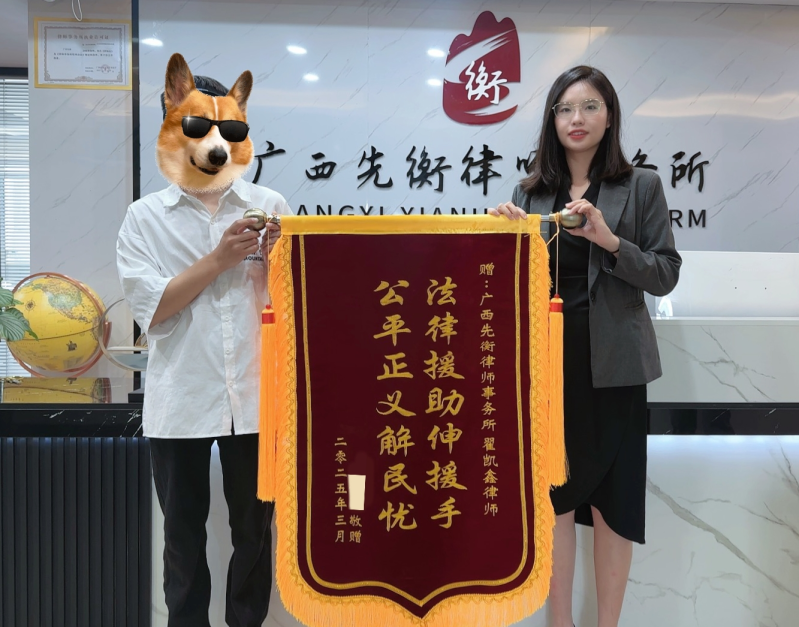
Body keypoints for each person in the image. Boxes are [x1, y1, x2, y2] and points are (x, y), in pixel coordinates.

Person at [489, 65, 681, 627]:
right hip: (547, 367)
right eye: (566, 108)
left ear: (610, 116)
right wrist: (504, 240)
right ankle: (560, 621)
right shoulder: (529, 193)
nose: (578, 118)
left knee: (613, 505)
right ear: (552, 120)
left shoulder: (641, 185)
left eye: (591, 106)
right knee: (553, 499)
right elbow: (508, 287)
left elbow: (665, 274)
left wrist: (610, 240)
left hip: (616, 366)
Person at [117, 53, 292, 627]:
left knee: (254, 535)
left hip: (257, 395)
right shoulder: (144, 218)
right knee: (183, 539)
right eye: (199, 125)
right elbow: (153, 312)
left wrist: (279, 265)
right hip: (180, 399)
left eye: (229, 129)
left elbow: (294, 307)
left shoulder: (270, 207)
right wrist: (219, 260)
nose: (216, 141)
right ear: (174, 121)